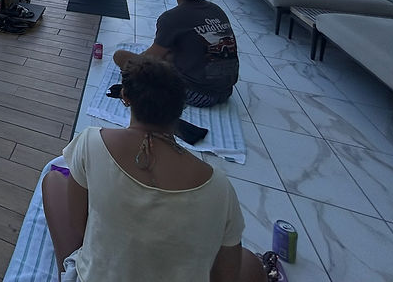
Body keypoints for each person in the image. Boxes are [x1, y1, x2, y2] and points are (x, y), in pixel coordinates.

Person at [43, 56, 262, 282]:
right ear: (181, 107)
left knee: (53, 181)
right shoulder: (219, 187)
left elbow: (79, 226)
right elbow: (225, 275)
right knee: (249, 262)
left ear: (125, 97)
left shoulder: (91, 141)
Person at [114, 0, 239, 107]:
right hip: (226, 90)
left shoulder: (172, 18)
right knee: (169, 54)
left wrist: (133, 65)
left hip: (198, 93)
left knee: (120, 56)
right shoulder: (216, 10)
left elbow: (148, 60)